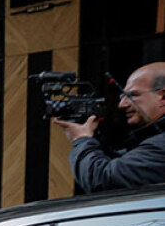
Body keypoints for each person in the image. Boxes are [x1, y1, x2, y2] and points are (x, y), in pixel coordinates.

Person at [54, 62, 165, 192]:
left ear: (163, 96)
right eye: (122, 96)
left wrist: (81, 139)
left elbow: (102, 181)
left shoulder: (160, 145)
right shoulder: (154, 141)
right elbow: (123, 166)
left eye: (132, 95)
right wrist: (94, 138)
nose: (121, 105)